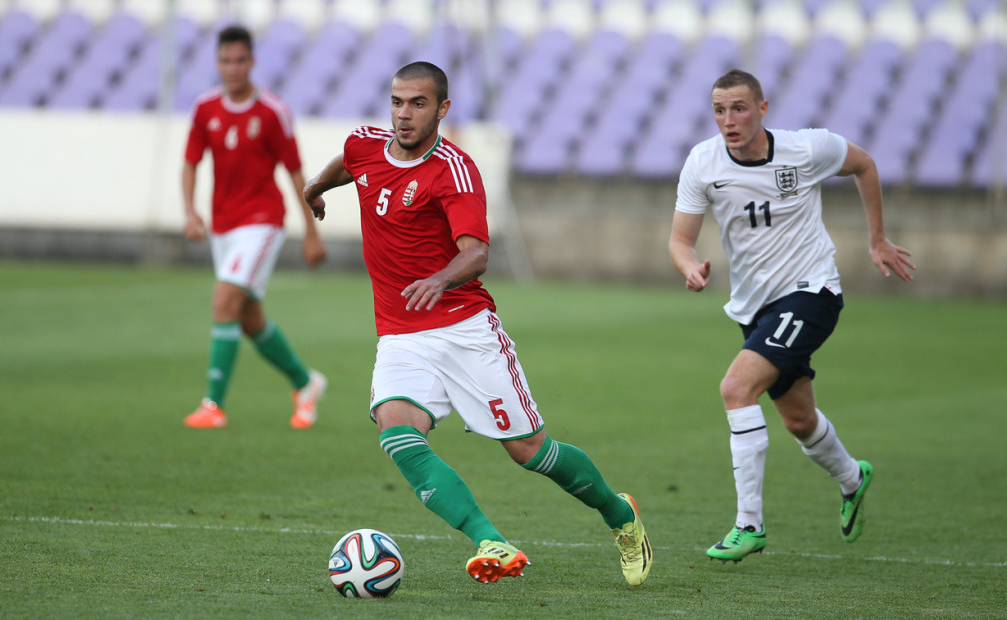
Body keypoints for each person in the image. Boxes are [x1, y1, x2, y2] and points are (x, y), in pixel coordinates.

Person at [304, 61, 652, 586]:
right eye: (397, 102)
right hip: (400, 335)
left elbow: (477, 253)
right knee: (397, 432)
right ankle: (489, 539)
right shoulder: (364, 145)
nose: (404, 113)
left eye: (418, 103)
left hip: (465, 330)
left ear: (442, 109)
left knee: (528, 451)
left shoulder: (454, 170)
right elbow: (348, 163)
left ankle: (619, 514)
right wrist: (315, 188)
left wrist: (439, 279)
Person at [669, 69, 915, 562]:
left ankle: (749, 526)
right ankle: (852, 477)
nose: (728, 120)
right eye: (719, 110)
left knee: (736, 388)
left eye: (739, 108)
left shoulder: (807, 149)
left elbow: (864, 164)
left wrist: (877, 238)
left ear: (763, 108)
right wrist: (689, 266)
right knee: (799, 420)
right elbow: (679, 239)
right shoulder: (703, 162)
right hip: (755, 306)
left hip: (811, 291)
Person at [181, 25, 327, 430]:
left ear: (252, 61)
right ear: (217, 62)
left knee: (224, 298)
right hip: (224, 227)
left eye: (240, 60)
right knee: (248, 318)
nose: (232, 67)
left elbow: (297, 173)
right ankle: (305, 382)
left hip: (262, 221)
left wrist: (311, 233)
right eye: (226, 60)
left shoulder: (272, 111)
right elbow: (191, 162)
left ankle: (214, 405)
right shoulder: (205, 109)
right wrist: (191, 213)